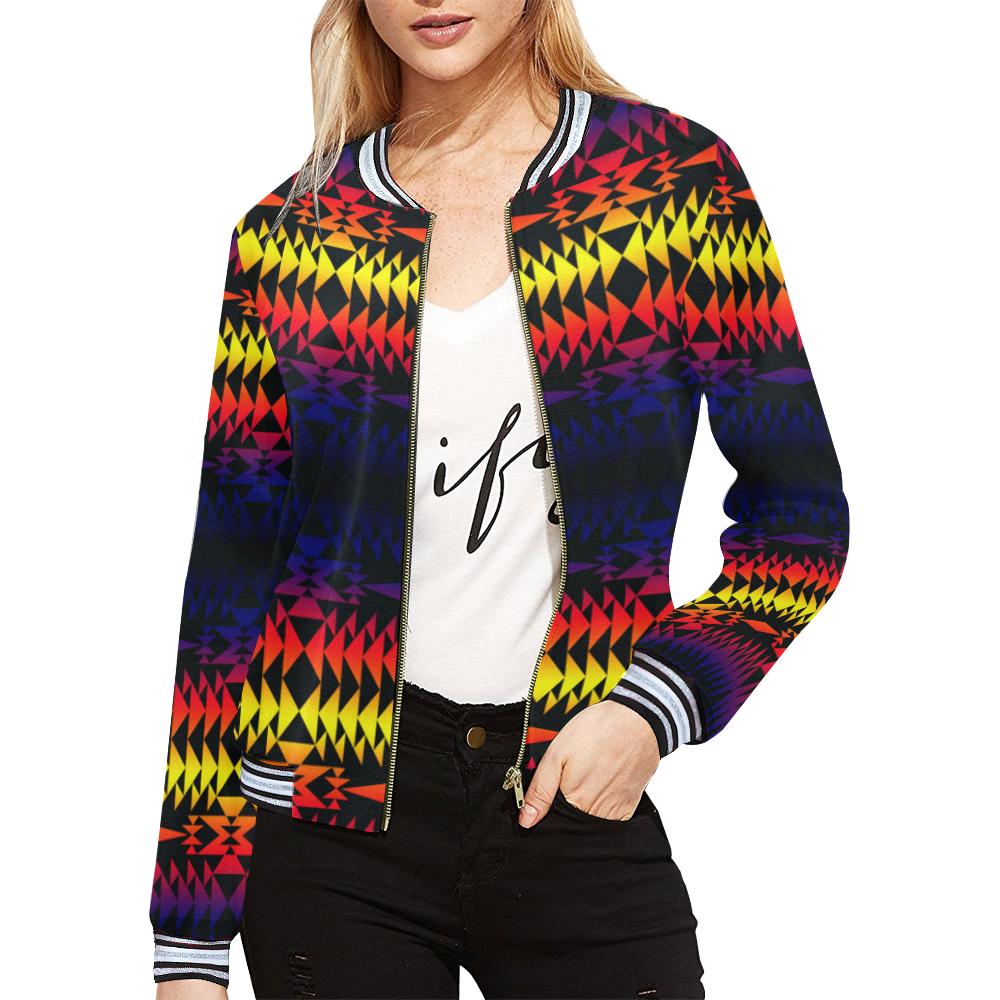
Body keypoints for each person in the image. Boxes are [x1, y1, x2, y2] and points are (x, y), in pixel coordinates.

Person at [149, 1, 849, 997]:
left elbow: (799, 519)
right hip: (327, 807)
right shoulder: (293, 237)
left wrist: (654, 707)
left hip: (572, 782)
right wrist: (188, 940)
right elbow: (228, 590)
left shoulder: (670, 186)